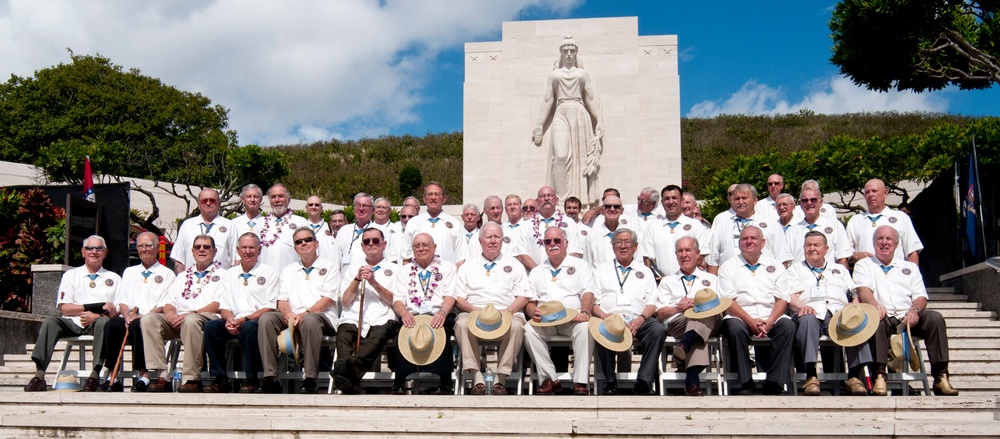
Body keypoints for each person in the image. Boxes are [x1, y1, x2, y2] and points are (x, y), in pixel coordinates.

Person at [853, 226, 958, 396]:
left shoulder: (909, 267)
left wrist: (914, 310)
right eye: (880, 239)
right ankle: (879, 375)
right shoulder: (864, 265)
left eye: (888, 239)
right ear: (873, 243)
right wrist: (874, 304)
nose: (884, 243)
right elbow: (864, 290)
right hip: (883, 315)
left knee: (935, 318)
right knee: (875, 320)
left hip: (907, 317)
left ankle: (941, 377)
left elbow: (921, 297)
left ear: (896, 244)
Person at [24, 236, 121, 392]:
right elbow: (65, 308)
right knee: (50, 322)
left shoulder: (114, 279)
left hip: (98, 323)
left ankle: (94, 375)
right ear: (83, 252)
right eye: (90, 248)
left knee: (105, 324)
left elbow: (117, 310)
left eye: (99, 249)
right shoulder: (71, 275)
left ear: (105, 252)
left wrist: (97, 316)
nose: (94, 252)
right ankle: (39, 375)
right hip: (72, 322)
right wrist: (96, 307)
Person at [787, 231, 873, 396]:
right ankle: (811, 375)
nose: (812, 248)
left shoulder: (839, 269)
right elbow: (791, 296)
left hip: (837, 312)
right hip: (810, 311)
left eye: (816, 245)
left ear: (826, 249)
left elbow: (855, 293)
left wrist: (853, 305)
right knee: (807, 320)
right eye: (808, 245)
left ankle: (854, 377)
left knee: (854, 319)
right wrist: (801, 306)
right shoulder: (795, 269)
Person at [258, 228, 340, 394]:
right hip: (292, 316)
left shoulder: (329, 267)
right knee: (266, 318)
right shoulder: (288, 270)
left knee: (309, 321)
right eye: (298, 242)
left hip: (320, 317)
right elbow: (281, 299)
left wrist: (304, 314)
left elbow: (328, 299)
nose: (303, 243)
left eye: (307, 240)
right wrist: (288, 314)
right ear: (295, 248)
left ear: (316, 243)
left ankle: (310, 379)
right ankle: (270, 377)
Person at [454, 222, 531, 395]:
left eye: (497, 237)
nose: (493, 241)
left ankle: (500, 379)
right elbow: (459, 298)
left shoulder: (515, 264)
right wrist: (474, 311)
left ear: (503, 240)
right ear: (480, 241)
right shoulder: (467, 266)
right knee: (461, 323)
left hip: (507, 312)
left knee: (518, 325)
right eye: (489, 237)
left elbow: (524, 295)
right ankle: (476, 378)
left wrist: (510, 311)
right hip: (475, 313)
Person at [141, 235, 226, 392]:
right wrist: (171, 314)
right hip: (179, 319)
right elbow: (168, 303)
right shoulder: (182, 276)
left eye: (206, 247)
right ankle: (161, 374)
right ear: (192, 251)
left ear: (214, 251)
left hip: (206, 319)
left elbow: (218, 305)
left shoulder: (223, 275)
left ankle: (191, 378)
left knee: (191, 320)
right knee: (148, 319)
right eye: (198, 247)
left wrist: (189, 314)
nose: (202, 250)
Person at [718, 226, 795, 395]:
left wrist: (770, 322)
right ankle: (746, 382)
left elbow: (782, 299)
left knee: (788, 327)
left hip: (770, 316)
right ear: (739, 243)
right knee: (733, 328)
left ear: (763, 243)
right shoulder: (727, 267)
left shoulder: (776, 266)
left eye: (753, 238)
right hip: (740, 316)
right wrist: (750, 321)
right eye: (744, 239)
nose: (749, 241)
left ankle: (774, 382)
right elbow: (728, 301)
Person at [531, 35, 605, 205]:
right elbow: (548, 100)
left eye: (572, 51)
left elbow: (591, 99)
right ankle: (560, 200)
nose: (569, 54)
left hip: (579, 113)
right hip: (560, 112)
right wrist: (539, 126)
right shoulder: (554, 75)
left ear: (576, 52)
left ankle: (578, 200)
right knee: (561, 156)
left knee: (580, 158)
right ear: (561, 53)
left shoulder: (582, 73)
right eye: (566, 51)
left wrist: (599, 120)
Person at [203, 233, 279, 393]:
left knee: (250, 329)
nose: (248, 251)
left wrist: (243, 320)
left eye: (252, 247)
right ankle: (219, 378)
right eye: (244, 247)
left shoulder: (269, 272)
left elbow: (269, 307)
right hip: (233, 320)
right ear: (238, 250)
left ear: (259, 250)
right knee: (211, 327)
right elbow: (223, 305)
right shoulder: (229, 273)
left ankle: (250, 379)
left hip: (253, 320)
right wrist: (230, 320)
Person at [592, 228, 664, 395]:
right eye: (618, 242)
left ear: (635, 246)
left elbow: (652, 303)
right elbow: (594, 302)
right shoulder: (601, 270)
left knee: (658, 330)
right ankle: (610, 382)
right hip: (609, 319)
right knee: (598, 329)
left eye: (627, 242)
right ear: (612, 246)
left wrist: (640, 319)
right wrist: (604, 316)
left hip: (639, 319)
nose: (623, 246)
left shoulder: (645, 271)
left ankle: (644, 381)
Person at [100, 232, 175, 392]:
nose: (144, 249)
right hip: (130, 316)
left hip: (151, 318)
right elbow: (123, 300)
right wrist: (126, 316)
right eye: (140, 246)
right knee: (112, 325)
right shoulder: (129, 272)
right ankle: (113, 375)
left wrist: (146, 315)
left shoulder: (167, 274)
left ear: (156, 247)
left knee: (140, 325)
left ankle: (144, 375)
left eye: (148, 245)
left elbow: (165, 303)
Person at [524, 227, 595, 395]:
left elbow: (588, 292)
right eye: (548, 241)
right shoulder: (537, 271)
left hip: (572, 319)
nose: (553, 244)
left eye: (557, 240)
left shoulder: (580, 265)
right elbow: (530, 301)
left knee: (585, 328)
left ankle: (580, 381)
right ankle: (550, 378)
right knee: (528, 330)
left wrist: (585, 311)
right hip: (546, 321)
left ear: (566, 243)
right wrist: (532, 311)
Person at [654, 236, 725, 396]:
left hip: (711, 321)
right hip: (679, 322)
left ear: (697, 253)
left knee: (701, 315)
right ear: (675, 254)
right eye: (680, 251)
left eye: (688, 250)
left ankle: (684, 347)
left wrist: (699, 305)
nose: (684, 254)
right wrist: (679, 308)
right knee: (697, 325)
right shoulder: (667, 282)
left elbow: (720, 307)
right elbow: (660, 313)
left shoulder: (712, 279)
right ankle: (691, 379)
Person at [333, 228, 401, 394]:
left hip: (383, 317)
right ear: (362, 246)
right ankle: (349, 379)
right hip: (354, 317)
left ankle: (346, 375)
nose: (371, 244)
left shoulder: (395, 270)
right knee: (343, 336)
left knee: (377, 337)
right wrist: (357, 280)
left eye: (375, 241)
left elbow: (394, 300)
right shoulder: (352, 269)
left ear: (384, 245)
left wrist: (374, 283)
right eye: (367, 241)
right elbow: (346, 301)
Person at [389, 233, 457, 394]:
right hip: (413, 316)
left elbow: (451, 295)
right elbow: (397, 299)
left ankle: (444, 382)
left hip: (438, 314)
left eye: (425, 245)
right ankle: (400, 381)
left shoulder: (447, 268)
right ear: (412, 249)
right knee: (402, 331)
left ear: (434, 247)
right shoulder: (404, 271)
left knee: (442, 329)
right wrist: (404, 313)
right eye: (417, 246)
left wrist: (442, 312)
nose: (421, 248)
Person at [706, 183, 792, 274]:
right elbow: (712, 262)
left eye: (744, 198)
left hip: (765, 283)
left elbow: (782, 260)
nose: (740, 202)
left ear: (755, 200)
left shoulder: (771, 224)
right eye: (737, 199)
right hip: (731, 282)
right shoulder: (721, 226)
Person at [846, 178, 923, 264]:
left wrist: (913, 275)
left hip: (896, 274)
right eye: (867, 192)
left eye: (874, 191)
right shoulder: (855, 221)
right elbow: (845, 255)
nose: (871, 195)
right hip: (866, 275)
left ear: (885, 193)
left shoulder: (901, 218)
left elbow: (912, 251)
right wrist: (857, 256)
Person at [641, 185, 710, 279]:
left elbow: (700, 256)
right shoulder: (653, 227)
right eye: (666, 199)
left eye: (674, 198)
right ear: (662, 202)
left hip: (689, 281)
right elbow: (648, 259)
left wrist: (678, 278)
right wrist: (665, 280)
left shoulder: (696, 225)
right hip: (661, 283)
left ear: (681, 201)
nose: (670, 202)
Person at [171, 188, 233, 272]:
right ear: (199, 205)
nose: (208, 203)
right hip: (191, 281)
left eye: (212, 200)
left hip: (220, 282)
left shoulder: (230, 225)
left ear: (219, 204)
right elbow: (179, 259)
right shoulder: (187, 225)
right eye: (204, 200)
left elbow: (236, 259)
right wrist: (183, 281)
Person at [788, 188, 852, 267]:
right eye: (805, 200)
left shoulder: (835, 225)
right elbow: (787, 260)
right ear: (800, 204)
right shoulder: (791, 230)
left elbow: (842, 257)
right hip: (801, 277)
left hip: (828, 277)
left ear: (821, 202)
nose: (809, 203)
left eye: (813, 200)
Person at [404, 182, 462, 264]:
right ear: (424, 199)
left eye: (437, 194)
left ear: (444, 198)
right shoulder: (413, 223)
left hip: (447, 275)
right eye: (430, 194)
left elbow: (461, 258)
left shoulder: (455, 224)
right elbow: (406, 257)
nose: (433, 197)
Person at [256, 184, 310, 271]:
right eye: (273, 197)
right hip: (265, 277)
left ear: (288, 199)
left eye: (281, 196)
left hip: (291, 276)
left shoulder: (300, 222)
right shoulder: (260, 223)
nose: (277, 200)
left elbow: (308, 252)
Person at [527, 186, 585, 265]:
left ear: (556, 201)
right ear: (537, 202)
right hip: (535, 274)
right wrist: (539, 272)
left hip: (564, 274)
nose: (546, 198)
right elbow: (521, 253)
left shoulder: (570, 223)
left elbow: (575, 251)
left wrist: (559, 270)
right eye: (542, 196)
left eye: (550, 195)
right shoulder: (526, 225)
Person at [335, 193, 378, 270]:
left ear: (373, 210)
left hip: (369, 279)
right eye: (358, 205)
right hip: (346, 280)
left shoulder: (381, 231)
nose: (361, 209)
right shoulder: (343, 231)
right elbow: (335, 260)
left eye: (365, 205)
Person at [584, 194, 628, 265]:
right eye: (608, 206)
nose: (612, 209)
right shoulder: (592, 236)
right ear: (602, 210)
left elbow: (638, 263)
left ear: (622, 210)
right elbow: (587, 265)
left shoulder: (630, 235)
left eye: (616, 206)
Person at [231, 184, 266, 262]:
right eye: (249, 196)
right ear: (243, 199)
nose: (252, 200)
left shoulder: (268, 223)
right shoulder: (233, 224)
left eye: (256, 197)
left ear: (260, 199)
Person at [500, 194, 535, 270]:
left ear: (521, 208)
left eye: (515, 204)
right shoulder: (501, 229)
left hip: (524, 272)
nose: (512, 207)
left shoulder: (529, 227)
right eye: (509, 205)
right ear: (505, 209)